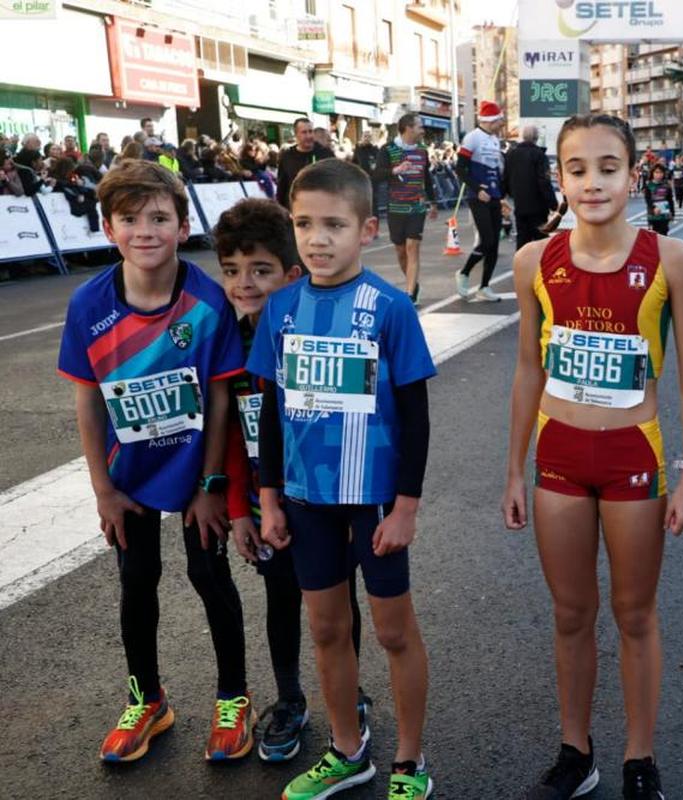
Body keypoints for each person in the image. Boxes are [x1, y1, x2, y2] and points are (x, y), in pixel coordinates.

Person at [502, 114, 683, 800]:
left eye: (607, 166)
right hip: (559, 455)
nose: (592, 182)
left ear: (633, 172)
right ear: (558, 176)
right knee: (570, 613)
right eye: (577, 168)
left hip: (634, 456)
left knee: (635, 613)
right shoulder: (533, 259)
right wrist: (513, 469)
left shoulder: (670, 258)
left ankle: (639, 757)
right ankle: (575, 750)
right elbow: (528, 369)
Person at [249, 159, 437, 799]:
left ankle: (410, 762)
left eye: (334, 224)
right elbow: (270, 413)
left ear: (368, 229)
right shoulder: (281, 308)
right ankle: (346, 750)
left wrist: (406, 507)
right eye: (304, 224)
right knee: (327, 629)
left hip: (375, 502)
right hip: (306, 502)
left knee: (391, 631)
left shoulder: (388, 307)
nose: (317, 238)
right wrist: (269, 500)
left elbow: (415, 416)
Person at [56, 160, 253, 764]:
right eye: (129, 219)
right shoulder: (89, 303)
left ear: (182, 223)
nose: (145, 230)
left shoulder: (206, 301)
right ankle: (147, 699)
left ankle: (233, 698)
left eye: (159, 217)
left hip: (197, 471)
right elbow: (87, 398)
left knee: (208, 575)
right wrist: (102, 489)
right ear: (109, 227)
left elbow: (221, 394)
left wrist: (212, 483)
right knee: (136, 581)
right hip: (129, 475)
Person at [212, 198, 374, 764]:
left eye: (260, 270)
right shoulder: (226, 347)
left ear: (292, 274)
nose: (244, 284)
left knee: (337, 598)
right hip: (265, 505)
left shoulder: (313, 334)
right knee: (280, 596)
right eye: (231, 271)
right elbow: (229, 439)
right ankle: (289, 699)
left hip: (325, 496)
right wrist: (240, 509)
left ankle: (348, 696)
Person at [374, 113, 438, 306]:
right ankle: (414, 284)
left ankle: (409, 293)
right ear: (408, 128)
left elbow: (426, 178)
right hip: (396, 208)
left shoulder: (422, 151)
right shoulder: (387, 149)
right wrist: (395, 170)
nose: (423, 130)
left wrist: (432, 202)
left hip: (416, 207)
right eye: (419, 126)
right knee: (401, 252)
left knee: (412, 248)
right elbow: (376, 175)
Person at [456, 101, 508, 302]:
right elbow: (460, 169)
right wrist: (477, 189)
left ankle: (484, 286)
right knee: (487, 240)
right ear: (491, 120)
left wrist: (501, 197)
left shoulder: (495, 140)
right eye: (500, 119)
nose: (502, 123)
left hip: (494, 196)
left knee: (494, 244)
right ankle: (464, 272)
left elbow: (495, 171)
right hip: (478, 198)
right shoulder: (472, 138)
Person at [504, 124, 559, 251]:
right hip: (538, 207)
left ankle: (521, 268)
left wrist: (507, 194)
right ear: (536, 137)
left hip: (520, 204)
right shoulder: (539, 155)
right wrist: (553, 204)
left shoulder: (512, 154)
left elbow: (505, 178)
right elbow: (544, 181)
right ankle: (541, 268)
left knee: (522, 240)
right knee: (541, 240)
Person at [276, 117, 335, 211]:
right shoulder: (287, 156)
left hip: (321, 208)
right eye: (304, 132)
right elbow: (282, 186)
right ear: (296, 135)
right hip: (295, 209)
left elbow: (334, 182)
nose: (308, 136)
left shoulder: (325, 154)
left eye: (310, 131)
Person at [644, 162, 675, 236]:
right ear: (652, 173)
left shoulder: (666, 186)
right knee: (654, 236)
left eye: (661, 172)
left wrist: (672, 213)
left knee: (663, 235)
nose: (658, 175)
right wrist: (653, 208)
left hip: (664, 215)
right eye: (656, 172)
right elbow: (648, 200)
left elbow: (670, 200)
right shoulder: (649, 186)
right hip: (653, 216)